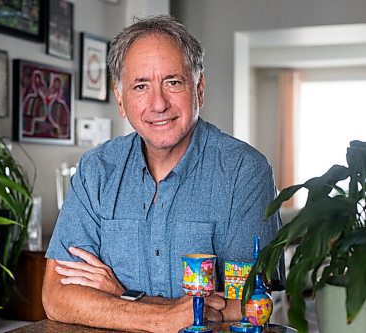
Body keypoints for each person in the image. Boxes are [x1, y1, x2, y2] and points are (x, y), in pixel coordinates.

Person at [42, 15, 283, 332]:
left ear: (199, 88)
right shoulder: (95, 170)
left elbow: (252, 305)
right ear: (120, 99)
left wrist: (122, 296)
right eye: (140, 86)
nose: (158, 104)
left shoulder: (245, 172)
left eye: (173, 82)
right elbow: (57, 297)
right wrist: (163, 317)